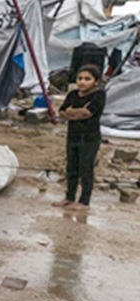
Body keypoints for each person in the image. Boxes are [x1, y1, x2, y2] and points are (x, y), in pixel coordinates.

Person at [56, 64, 106, 211]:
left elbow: (88, 113)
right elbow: (62, 112)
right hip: (73, 136)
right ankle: (69, 197)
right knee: (71, 168)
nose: (82, 82)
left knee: (86, 169)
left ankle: (84, 201)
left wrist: (72, 112)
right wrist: (75, 113)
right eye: (80, 78)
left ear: (95, 81)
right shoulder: (72, 95)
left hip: (89, 138)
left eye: (87, 79)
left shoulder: (99, 95)